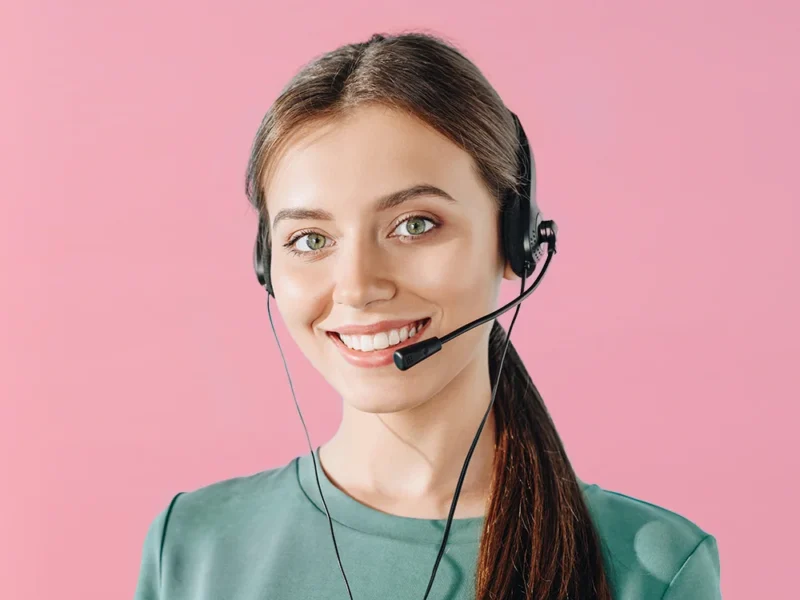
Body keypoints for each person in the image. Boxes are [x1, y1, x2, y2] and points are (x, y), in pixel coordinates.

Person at [133, 32, 721, 600]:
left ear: (514, 239)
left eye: (415, 224)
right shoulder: (192, 547)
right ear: (267, 264)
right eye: (310, 239)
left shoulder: (650, 568)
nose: (359, 287)